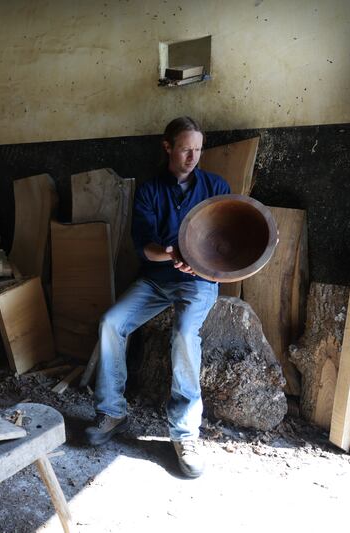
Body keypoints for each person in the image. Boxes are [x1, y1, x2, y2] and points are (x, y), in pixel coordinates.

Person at [84, 116, 230, 479]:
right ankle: (113, 411)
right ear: (168, 147)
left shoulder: (215, 186)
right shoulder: (149, 190)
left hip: (198, 282)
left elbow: (227, 237)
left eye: (198, 149)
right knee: (111, 322)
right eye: (185, 149)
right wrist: (172, 254)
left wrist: (200, 262)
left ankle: (185, 434)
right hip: (156, 279)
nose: (192, 156)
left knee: (183, 335)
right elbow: (145, 248)